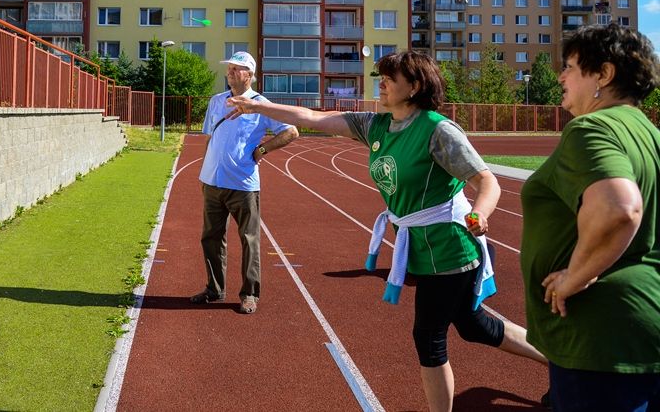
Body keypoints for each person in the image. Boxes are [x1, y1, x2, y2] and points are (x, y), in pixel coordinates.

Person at [227, 50, 545, 411]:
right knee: (474, 326)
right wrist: (258, 107)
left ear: (415, 86)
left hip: (451, 247)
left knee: (428, 338)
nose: (382, 84)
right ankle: (556, 360)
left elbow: (487, 181)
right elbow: (311, 116)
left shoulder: (438, 130)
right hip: (421, 249)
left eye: (390, 79)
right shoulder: (375, 125)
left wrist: (482, 214)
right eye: (382, 77)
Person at [520, 24, 660, 411]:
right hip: (644, 328)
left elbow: (619, 208)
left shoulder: (591, 127)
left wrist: (573, 277)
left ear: (604, 74)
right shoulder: (650, 133)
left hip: (600, 341)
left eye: (570, 67)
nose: (561, 76)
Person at [192, 51, 299, 315]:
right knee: (211, 238)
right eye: (229, 67)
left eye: (236, 68)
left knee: (249, 239)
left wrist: (262, 151)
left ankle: (250, 293)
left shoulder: (262, 104)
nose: (230, 72)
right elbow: (211, 139)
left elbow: (291, 131)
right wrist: (203, 173)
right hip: (212, 183)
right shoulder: (217, 101)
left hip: (243, 184)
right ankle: (214, 289)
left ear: (249, 75)